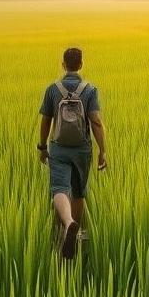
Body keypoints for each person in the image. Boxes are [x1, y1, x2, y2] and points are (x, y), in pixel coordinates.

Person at [37, 47, 107, 259]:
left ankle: (67, 223)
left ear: (63, 64)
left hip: (58, 147)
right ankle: (76, 237)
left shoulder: (52, 89)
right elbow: (95, 121)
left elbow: (46, 120)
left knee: (59, 187)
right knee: (78, 191)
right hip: (81, 149)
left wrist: (42, 147)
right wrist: (102, 151)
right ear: (81, 64)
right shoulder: (90, 90)